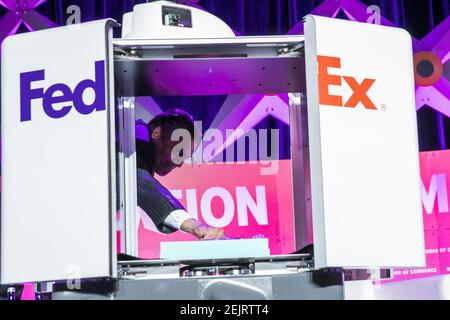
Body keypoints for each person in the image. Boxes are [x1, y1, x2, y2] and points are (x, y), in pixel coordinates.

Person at [134, 109, 225, 240]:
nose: (179, 164)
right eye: (179, 151)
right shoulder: (134, 139)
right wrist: (193, 225)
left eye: (184, 157)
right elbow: (137, 178)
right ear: (157, 132)